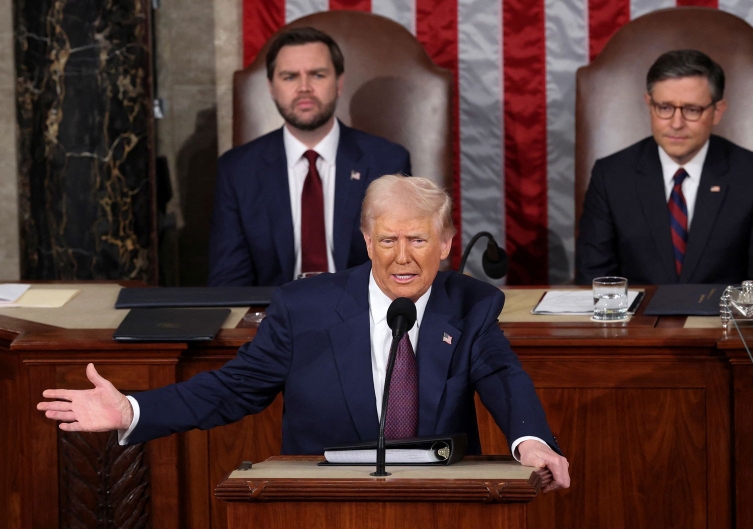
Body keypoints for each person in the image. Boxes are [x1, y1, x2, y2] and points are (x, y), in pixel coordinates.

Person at [38, 175, 570, 492]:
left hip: (439, 499)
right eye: (388, 240)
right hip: (325, 500)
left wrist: (532, 441)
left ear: (448, 243)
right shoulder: (304, 307)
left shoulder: (471, 304)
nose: (402, 258)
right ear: (365, 240)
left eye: (418, 239)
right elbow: (233, 389)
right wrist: (133, 410)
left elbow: (503, 376)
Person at [208, 27, 411, 286]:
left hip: (363, 316)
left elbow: (400, 268)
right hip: (273, 317)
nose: (304, 88)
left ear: (338, 83)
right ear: (271, 87)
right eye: (290, 77)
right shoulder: (237, 170)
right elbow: (229, 283)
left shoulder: (387, 162)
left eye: (317, 75)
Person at [576, 49, 753, 285]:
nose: (676, 124)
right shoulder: (611, 176)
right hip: (635, 320)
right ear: (649, 105)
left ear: (717, 111)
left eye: (692, 110)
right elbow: (595, 281)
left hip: (723, 320)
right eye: (665, 107)